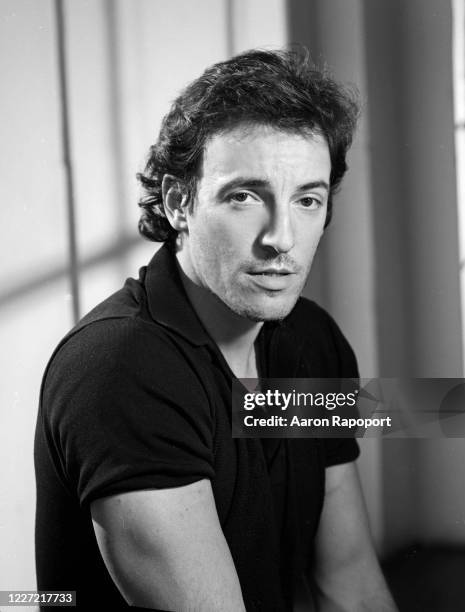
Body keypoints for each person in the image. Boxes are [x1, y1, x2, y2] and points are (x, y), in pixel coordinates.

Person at [34, 48, 397, 611]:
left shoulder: (310, 339)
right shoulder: (121, 367)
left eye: (307, 199)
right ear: (179, 202)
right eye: (244, 196)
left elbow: (349, 582)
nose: (281, 238)